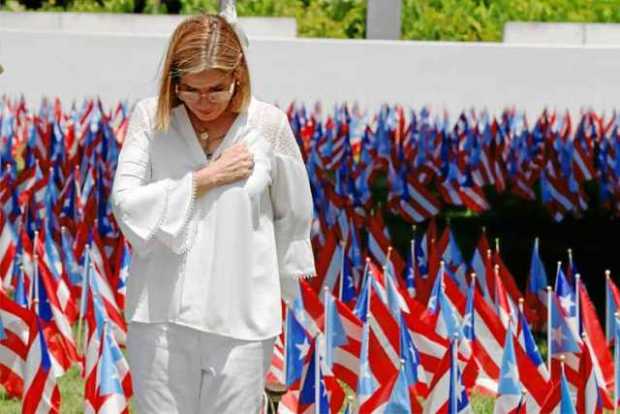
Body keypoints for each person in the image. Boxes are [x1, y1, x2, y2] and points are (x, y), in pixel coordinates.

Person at [110, 10, 316, 414]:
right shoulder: (149, 119)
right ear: (174, 82)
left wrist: (281, 295)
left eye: (216, 89)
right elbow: (126, 203)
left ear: (238, 75)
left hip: (242, 318)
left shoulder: (269, 125)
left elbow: (292, 215)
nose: (203, 101)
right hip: (159, 314)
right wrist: (205, 179)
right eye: (191, 89)